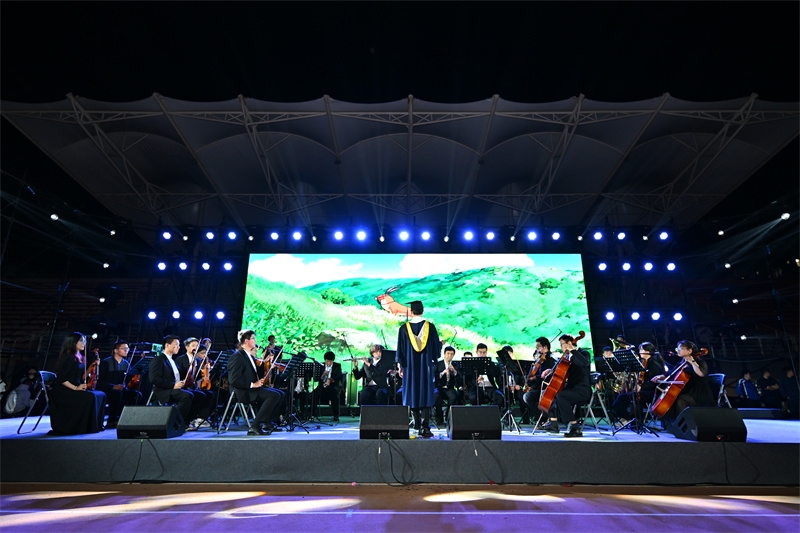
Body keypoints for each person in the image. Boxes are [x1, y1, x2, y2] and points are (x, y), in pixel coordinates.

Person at [226, 330, 285, 435]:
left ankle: (267, 422)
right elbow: (234, 380)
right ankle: (255, 425)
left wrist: (267, 363)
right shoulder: (237, 356)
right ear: (246, 341)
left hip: (252, 388)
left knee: (281, 393)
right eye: (253, 338)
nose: (255, 340)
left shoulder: (249, 356)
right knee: (273, 395)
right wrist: (253, 384)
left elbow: (256, 373)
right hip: (243, 391)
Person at [396, 300, 439, 438]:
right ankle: (425, 427)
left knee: (412, 393)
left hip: (410, 367)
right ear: (423, 311)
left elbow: (400, 350)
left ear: (411, 311)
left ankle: (416, 426)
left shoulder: (404, 328)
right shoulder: (430, 327)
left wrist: (400, 366)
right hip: (425, 366)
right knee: (425, 392)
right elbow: (436, 349)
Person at [49, 332, 106, 434]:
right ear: (73, 342)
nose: (84, 343)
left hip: (76, 387)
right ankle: (84, 426)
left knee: (101, 394)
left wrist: (92, 365)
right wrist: (75, 388)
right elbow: (61, 378)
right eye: (81, 341)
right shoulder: (68, 357)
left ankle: (94, 425)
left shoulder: (81, 357)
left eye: (84, 341)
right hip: (65, 390)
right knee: (90, 397)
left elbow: (82, 377)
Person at [539, 333, 592, 438]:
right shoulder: (566, 357)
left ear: (569, 343)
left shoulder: (583, 353)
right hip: (571, 388)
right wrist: (551, 370)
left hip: (582, 389)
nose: (561, 347)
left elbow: (583, 363)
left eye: (562, 344)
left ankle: (574, 427)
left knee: (561, 396)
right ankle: (553, 423)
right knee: (547, 393)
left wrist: (573, 350)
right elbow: (560, 371)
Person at [652, 339, 715, 423]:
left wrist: (692, 362)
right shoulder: (682, 363)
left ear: (689, 351)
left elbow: (701, 374)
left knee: (680, 400)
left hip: (698, 393)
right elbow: (672, 374)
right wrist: (661, 376)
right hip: (687, 392)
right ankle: (672, 424)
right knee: (671, 400)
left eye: (681, 349)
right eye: (677, 348)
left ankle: (686, 424)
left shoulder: (700, 362)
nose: (677, 350)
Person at [149, 335, 200, 427]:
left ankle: (188, 421)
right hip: (165, 390)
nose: (178, 347)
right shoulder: (159, 359)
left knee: (201, 395)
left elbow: (183, 376)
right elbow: (154, 379)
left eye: (179, 345)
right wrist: (173, 385)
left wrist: (193, 366)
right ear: (167, 345)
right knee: (187, 396)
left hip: (175, 389)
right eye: (176, 344)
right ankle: (175, 422)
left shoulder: (172, 361)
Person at [611, 342, 666, 425]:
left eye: (641, 350)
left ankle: (633, 419)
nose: (639, 352)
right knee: (624, 396)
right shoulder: (643, 363)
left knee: (628, 396)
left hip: (653, 392)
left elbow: (654, 383)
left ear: (647, 352)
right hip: (645, 390)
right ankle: (627, 418)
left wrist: (641, 386)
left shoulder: (654, 365)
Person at [96, 340, 142, 429]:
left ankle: (126, 418)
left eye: (127, 348)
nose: (126, 350)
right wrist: (113, 386)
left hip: (121, 389)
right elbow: (99, 381)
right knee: (117, 394)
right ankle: (112, 420)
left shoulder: (126, 363)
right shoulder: (106, 362)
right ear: (116, 350)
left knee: (136, 395)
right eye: (123, 348)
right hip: (108, 389)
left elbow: (129, 379)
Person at [175, 337, 214, 430]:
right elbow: (178, 374)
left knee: (210, 394)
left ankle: (199, 418)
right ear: (187, 347)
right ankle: (185, 420)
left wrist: (206, 371)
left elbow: (197, 377)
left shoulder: (198, 360)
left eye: (196, 346)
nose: (195, 348)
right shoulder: (180, 359)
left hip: (192, 386)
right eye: (193, 346)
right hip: (183, 386)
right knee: (198, 395)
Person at [522, 337, 557, 426]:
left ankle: (543, 417)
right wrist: (529, 384)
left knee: (527, 397)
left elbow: (547, 377)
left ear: (545, 347)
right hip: (538, 386)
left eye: (538, 346)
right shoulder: (540, 358)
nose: (536, 349)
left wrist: (535, 380)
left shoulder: (551, 359)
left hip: (546, 388)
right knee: (523, 395)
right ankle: (540, 417)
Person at [466, 343, 504, 408]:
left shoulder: (491, 363)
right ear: (476, 352)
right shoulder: (471, 364)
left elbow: (496, 374)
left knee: (500, 397)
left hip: (489, 387)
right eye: (480, 352)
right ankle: (479, 413)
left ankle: (490, 412)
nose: (482, 354)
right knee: (473, 397)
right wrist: (477, 381)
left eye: (484, 352)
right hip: (476, 388)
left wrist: (489, 367)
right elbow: (468, 379)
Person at [433, 346, 463, 426]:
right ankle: (439, 417)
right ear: (444, 354)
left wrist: (454, 371)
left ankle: (448, 417)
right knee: (436, 396)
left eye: (451, 354)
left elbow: (460, 378)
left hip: (449, 388)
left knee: (453, 397)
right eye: (448, 354)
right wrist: (442, 373)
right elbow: (434, 376)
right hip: (439, 387)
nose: (449, 356)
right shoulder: (438, 364)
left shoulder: (456, 365)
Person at [312, 351, 343, 422]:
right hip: (322, 387)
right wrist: (323, 375)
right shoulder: (321, 365)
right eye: (327, 361)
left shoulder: (337, 366)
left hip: (332, 387)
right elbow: (316, 379)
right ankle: (313, 414)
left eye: (330, 361)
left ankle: (336, 415)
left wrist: (331, 379)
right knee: (314, 394)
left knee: (334, 394)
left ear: (333, 361)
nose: (328, 363)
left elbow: (340, 376)